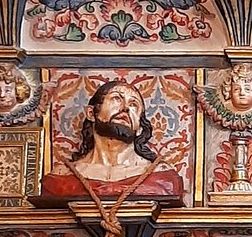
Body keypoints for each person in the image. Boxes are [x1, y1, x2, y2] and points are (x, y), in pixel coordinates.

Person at [39, 80, 183, 201]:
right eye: (116, 99)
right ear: (91, 113)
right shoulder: (61, 178)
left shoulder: (163, 178)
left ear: (140, 127)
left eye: (134, 104)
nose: (125, 108)